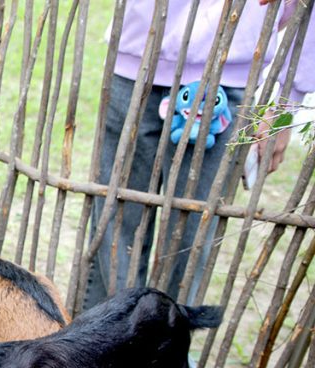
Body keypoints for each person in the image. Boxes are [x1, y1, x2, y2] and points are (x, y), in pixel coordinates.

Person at [83, 0, 314, 310]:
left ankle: (167, 348)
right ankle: (103, 346)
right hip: (136, 55)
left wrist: (285, 105)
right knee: (115, 222)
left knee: (191, 237)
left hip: (229, 73)